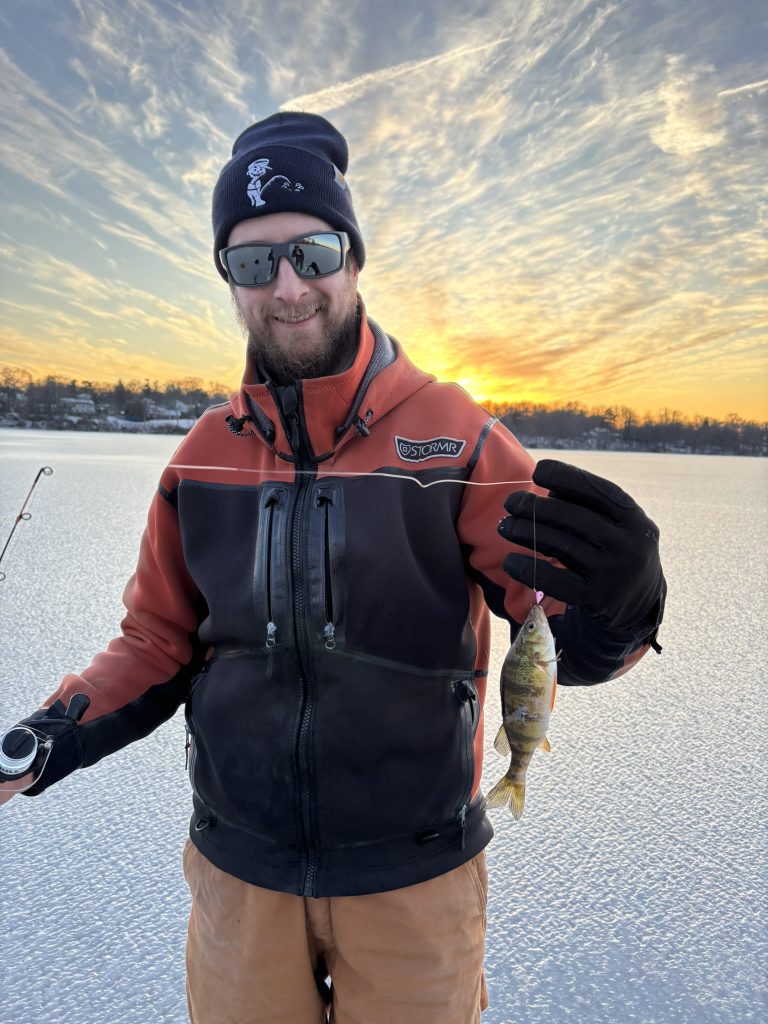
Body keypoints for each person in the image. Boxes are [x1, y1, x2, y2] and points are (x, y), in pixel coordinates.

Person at [0, 112, 665, 1024]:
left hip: (414, 883)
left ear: (351, 259)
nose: (287, 287)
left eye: (311, 253)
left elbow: (552, 629)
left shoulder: (455, 436)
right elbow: (156, 639)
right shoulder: (200, 456)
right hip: (243, 879)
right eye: (251, 261)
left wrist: (626, 609)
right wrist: (55, 733)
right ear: (227, 280)